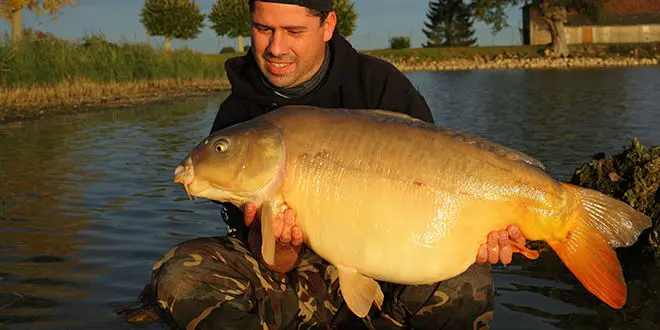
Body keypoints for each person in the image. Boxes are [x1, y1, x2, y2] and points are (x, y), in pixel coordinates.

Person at [125, 0, 529, 328]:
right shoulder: (240, 116)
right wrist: (281, 248)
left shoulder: (381, 85)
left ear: (328, 25)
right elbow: (268, 258)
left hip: (392, 266)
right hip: (295, 280)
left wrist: (489, 238)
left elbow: (437, 198)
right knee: (180, 276)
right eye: (263, 29)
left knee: (469, 280)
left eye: (294, 31)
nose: (276, 48)